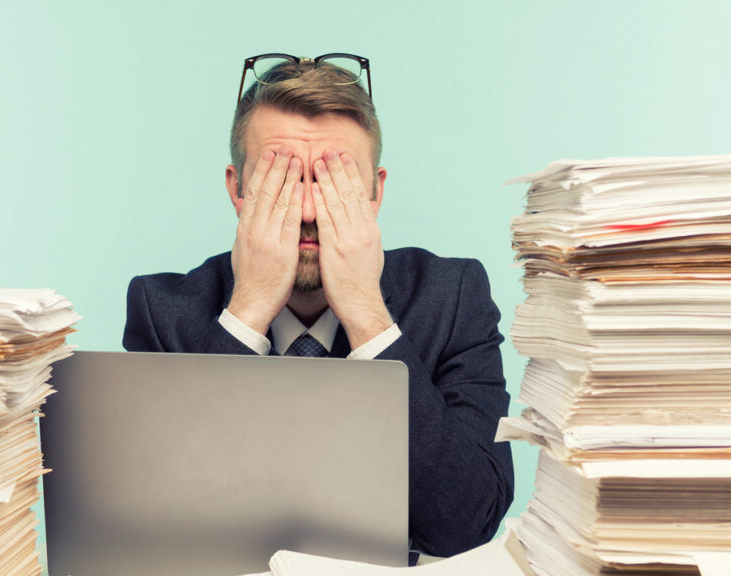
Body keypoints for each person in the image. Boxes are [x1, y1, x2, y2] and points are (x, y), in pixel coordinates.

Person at [123, 54, 513, 559]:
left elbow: (466, 525)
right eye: (280, 179)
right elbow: (156, 528)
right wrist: (248, 308)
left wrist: (368, 316)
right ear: (237, 190)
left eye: (335, 182)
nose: (308, 211)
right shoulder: (161, 310)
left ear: (375, 193)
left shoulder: (453, 295)